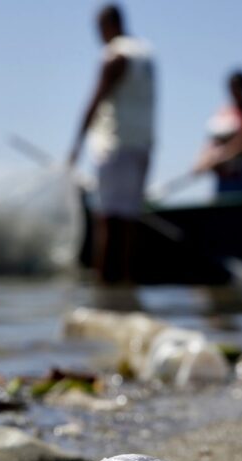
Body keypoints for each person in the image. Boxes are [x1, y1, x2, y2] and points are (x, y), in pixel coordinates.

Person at [68, 4, 155, 283]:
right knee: (128, 222)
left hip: (115, 147)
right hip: (142, 145)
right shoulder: (146, 53)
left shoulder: (115, 56)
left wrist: (76, 143)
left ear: (109, 25)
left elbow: (96, 99)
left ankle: (104, 290)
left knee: (106, 221)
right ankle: (126, 289)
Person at [194, 70, 242, 198]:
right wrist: (202, 160)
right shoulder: (223, 113)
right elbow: (212, 142)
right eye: (232, 87)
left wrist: (218, 158)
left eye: (238, 87)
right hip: (222, 181)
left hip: (240, 179)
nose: (234, 92)